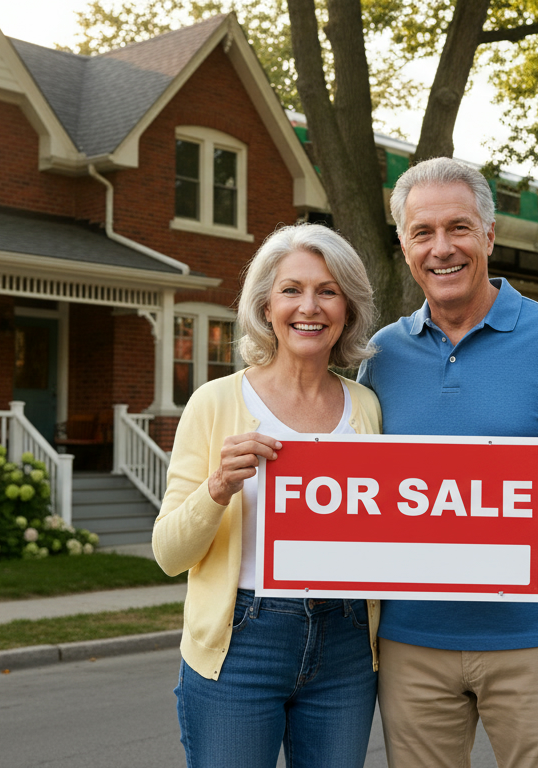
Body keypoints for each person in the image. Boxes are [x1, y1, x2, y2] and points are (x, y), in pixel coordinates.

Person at [358, 157, 538, 768]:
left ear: (489, 235)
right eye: (423, 233)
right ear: (405, 247)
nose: (442, 249)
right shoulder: (380, 354)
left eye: (459, 228)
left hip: (534, 640)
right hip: (410, 645)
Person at [153, 224, 383, 768]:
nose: (310, 306)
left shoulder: (368, 407)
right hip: (242, 642)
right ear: (266, 306)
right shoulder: (214, 403)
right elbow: (168, 553)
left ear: (347, 308)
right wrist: (217, 488)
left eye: (328, 290)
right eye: (291, 290)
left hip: (347, 643)